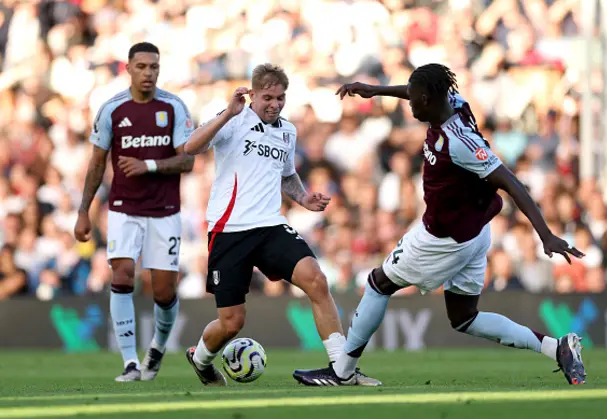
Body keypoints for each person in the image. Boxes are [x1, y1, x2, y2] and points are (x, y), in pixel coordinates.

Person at [293, 64, 587, 386]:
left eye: (414, 100)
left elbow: (511, 182)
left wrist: (545, 235)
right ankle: (557, 348)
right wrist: (376, 91)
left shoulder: (457, 141)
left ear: (428, 99)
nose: (410, 105)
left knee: (379, 283)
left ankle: (343, 371)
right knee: (464, 317)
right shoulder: (452, 102)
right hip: (475, 230)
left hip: (443, 238)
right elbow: (414, 90)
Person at [183, 63, 380, 387]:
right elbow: (191, 147)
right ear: (253, 94)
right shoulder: (233, 120)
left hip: (270, 225)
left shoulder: (287, 131)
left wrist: (302, 198)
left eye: (280, 98)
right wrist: (227, 114)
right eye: (268, 97)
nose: (274, 104)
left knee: (316, 280)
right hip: (229, 230)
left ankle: (342, 369)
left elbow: (286, 174)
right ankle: (201, 359)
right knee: (232, 323)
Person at [74, 42, 195, 382]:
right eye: (141, 66)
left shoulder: (173, 107)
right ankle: (129, 362)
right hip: (124, 208)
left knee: (163, 291)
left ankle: (156, 349)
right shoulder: (112, 109)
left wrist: (150, 165)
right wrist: (84, 211)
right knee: (122, 274)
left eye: (154, 67)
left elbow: (188, 160)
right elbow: (97, 162)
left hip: (165, 210)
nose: (148, 73)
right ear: (128, 69)